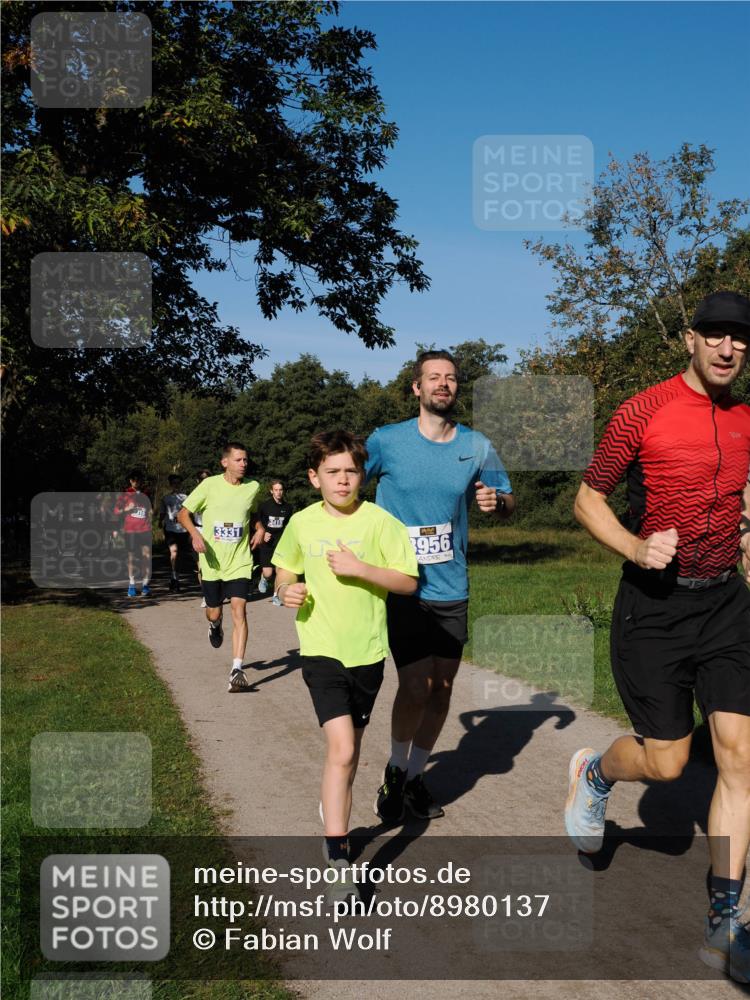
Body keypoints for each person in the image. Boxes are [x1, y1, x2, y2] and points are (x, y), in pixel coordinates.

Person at [564, 291, 750, 983]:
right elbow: (588, 498)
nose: (728, 349)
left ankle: (724, 923)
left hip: (725, 604)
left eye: (740, 339)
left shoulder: (747, 419)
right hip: (656, 608)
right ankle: (594, 772)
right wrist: (635, 547)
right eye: (716, 336)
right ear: (689, 341)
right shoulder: (643, 411)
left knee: (739, 755)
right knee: (669, 764)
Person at [365, 350, 515, 823]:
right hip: (402, 583)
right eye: (434, 377)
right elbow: (344, 485)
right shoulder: (386, 442)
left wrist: (498, 502)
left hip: (451, 583)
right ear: (417, 387)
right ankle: (394, 769)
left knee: (443, 687)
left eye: (450, 378)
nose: (443, 384)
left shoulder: (477, 445)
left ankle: (413, 776)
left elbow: (508, 499)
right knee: (415, 685)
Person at [272, 430, 418, 901]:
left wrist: (361, 569)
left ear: (363, 475)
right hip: (320, 650)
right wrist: (284, 592)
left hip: (368, 654)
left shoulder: (381, 523)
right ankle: (339, 856)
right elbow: (285, 570)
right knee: (341, 750)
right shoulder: (300, 523)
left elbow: (407, 582)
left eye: (350, 471)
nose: (342, 480)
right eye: (332, 472)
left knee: (349, 755)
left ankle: (333, 808)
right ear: (314, 477)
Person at [178, 444, 263, 692]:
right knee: (214, 612)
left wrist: (258, 528)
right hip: (212, 560)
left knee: (240, 610)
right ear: (224, 462)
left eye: (246, 460)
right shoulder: (209, 485)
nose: (244, 464)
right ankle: (215, 626)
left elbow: (252, 512)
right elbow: (183, 514)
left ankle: (237, 668)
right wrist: (195, 534)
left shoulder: (253, 487)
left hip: (239, 560)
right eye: (238, 460)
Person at [113, 470, 153, 597]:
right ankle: (131, 584)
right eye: (134, 479)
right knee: (131, 557)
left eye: (139, 479)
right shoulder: (125, 494)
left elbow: (150, 510)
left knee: (146, 556)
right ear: (131, 480)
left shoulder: (146, 494)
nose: (137, 482)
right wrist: (127, 509)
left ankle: (145, 585)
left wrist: (151, 515)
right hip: (131, 530)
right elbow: (116, 511)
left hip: (145, 529)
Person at [254, 480, 293, 595]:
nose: (278, 492)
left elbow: (288, 525)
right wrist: (263, 532)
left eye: (280, 490)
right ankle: (263, 578)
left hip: (280, 542)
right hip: (266, 542)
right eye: (276, 490)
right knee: (268, 573)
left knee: (280, 570)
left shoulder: (288, 507)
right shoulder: (264, 506)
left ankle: (276, 595)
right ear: (272, 491)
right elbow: (256, 521)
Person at [159, 474, 189, 592]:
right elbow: (162, 512)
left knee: (179, 556)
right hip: (170, 529)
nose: (176, 485)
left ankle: (175, 577)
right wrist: (160, 523)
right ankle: (174, 578)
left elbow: (189, 512)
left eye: (178, 483)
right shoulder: (166, 498)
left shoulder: (185, 497)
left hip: (183, 529)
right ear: (170, 484)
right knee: (174, 552)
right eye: (174, 483)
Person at [192, 469, 211, 607]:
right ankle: (205, 594)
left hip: (214, 532)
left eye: (208, 479)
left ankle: (218, 590)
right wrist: (192, 533)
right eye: (202, 479)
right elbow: (184, 515)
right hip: (199, 530)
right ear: (198, 481)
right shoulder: (193, 496)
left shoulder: (217, 494)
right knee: (201, 566)